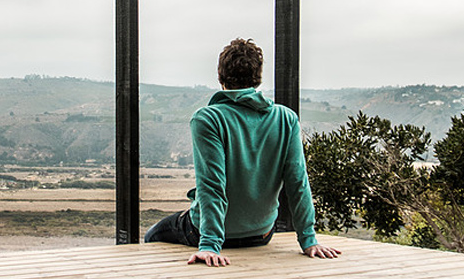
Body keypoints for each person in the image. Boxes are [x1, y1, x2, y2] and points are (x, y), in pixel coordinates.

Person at [144, 38, 340, 266]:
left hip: (211, 235)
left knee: (152, 235)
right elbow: (298, 182)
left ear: (220, 76)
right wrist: (308, 240)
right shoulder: (286, 118)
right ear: (257, 78)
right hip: (262, 233)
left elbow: (212, 186)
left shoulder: (208, 118)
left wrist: (209, 245)